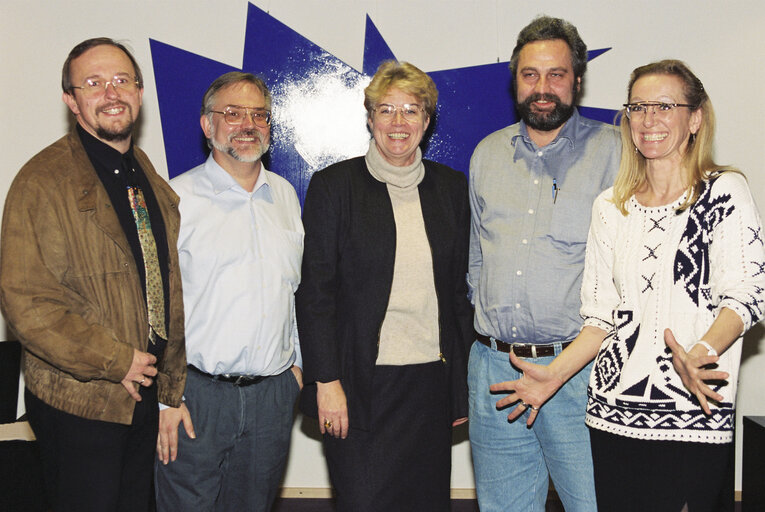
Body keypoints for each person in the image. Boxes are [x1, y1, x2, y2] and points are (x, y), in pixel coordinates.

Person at [492, 59, 765, 512]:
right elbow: (600, 317)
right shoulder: (610, 207)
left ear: (695, 118)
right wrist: (552, 377)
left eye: (664, 106)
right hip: (612, 416)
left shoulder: (725, 191)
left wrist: (701, 353)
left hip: (693, 411)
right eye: (638, 107)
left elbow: (747, 294)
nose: (649, 120)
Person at [0, 37, 186, 511]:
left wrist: (167, 385)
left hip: (139, 396)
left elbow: (163, 283)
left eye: (121, 80)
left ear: (140, 93)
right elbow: (26, 302)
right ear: (71, 100)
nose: (111, 93)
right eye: (94, 83)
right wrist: (114, 360)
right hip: (82, 400)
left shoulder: (141, 171)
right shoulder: (40, 181)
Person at [296, 60, 473, 511]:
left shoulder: (450, 189)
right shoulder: (335, 186)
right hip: (358, 383)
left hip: (429, 386)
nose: (399, 123)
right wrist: (325, 380)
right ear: (370, 118)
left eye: (411, 111)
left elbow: (458, 294)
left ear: (427, 121)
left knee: (426, 502)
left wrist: (460, 384)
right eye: (386, 110)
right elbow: (316, 293)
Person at [467, 15, 620, 512]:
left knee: (593, 503)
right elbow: (476, 259)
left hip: (579, 373)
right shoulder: (487, 155)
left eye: (556, 74)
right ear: (516, 81)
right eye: (530, 74)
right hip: (495, 370)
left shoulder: (616, 153)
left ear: (577, 79)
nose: (543, 88)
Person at [154, 72, 304, 511]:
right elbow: (154, 306)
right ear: (207, 125)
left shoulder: (286, 196)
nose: (248, 125)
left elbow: (294, 290)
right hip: (196, 397)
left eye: (259, 115)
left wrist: (295, 369)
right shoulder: (175, 199)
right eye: (232, 113)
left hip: (271, 397)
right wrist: (166, 399)